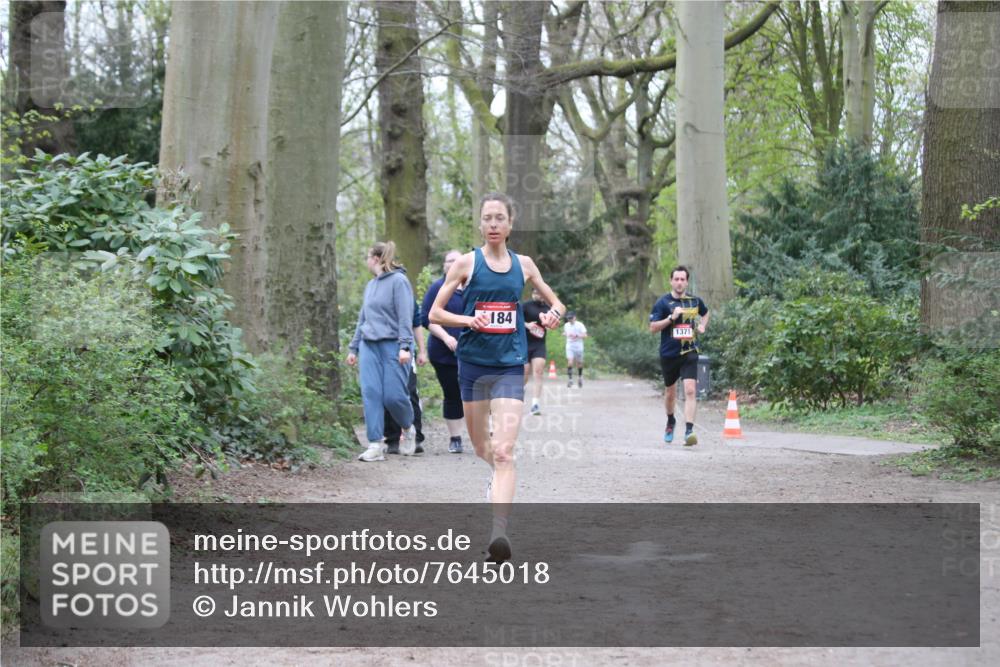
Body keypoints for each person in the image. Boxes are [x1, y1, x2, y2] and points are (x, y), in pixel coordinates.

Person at [429, 192, 565, 562]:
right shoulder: (465, 265)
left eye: (499, 218)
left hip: (509, 365)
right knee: (480, 447)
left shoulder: (524, 265)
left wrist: (553, 315)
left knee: (503, 450)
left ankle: (498, 534)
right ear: (480, 223)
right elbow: (435, 314)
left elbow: (558, 304)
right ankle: (497, 478)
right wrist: (467, 320)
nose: (492, 224)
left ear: (509, 224)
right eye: (487, 218)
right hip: (472, 366)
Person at [346, 241, 418, 462]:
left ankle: (408, 427)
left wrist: (405, 346)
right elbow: (363, 318)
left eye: (368, 257)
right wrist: (354, 347)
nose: (366, 261)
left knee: (394, 396)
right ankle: (375, 444)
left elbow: (406, 315)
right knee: (371, 395)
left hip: (393, 345)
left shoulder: (399, 281)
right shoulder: (371, 285)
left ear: (375, 259)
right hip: (369, 345)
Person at [649, 265, 710, 446]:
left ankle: (689, 431)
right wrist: (671, 318)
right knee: (670, 393)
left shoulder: (694, 301)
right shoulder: (662, 303)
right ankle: (670, 421)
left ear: (687, 282)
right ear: (671, 281)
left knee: (690, 390)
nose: (679, 282)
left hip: (690, 351)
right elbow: (652, 328)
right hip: (669, 354)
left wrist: (702, 326)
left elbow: (705, 313)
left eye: (683, 279)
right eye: (676, 279)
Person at [421, 250, 467, 453]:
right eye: (450, 261)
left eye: (458, 260)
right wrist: (446, 337)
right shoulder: (437, 288)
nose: (454, 264)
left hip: (472, 352)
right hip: (443, 352)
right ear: (444, 265)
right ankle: (455, 438)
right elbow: (426, 318)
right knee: (452, 393)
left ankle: (485, 433)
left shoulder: (473, 287)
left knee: (478, 392)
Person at [383, 298, 427, 454]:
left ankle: (417, 438)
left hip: (406, 350)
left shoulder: (407, 296)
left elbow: (416, 324)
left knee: (410, 392)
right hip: (384, 350)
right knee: (388, 393)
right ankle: (392, 439)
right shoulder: (378, 292)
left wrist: (422, 350)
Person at [521, 288, 551, 415]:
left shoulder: (548, 308)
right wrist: (527, 325)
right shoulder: (526, 306)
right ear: (534, 294)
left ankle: (535, 404)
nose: (540, 296)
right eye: (538, 294)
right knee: (525, 373)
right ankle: (519, 393)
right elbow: (516, 321)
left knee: (538, 372)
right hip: (525, 344)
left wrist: (551, 325)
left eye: (542, 294)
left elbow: (552, 323)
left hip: (539, 344)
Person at [563, 311, 588, 388]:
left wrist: (577, 335)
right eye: (568, 318)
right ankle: (570, 380)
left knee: (579, 363)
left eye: (571, 318)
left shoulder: (580, 325)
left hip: (578, 346)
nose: (570, 320)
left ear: (575, 318)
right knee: (570, 362)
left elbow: (585, 335)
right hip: (570, 345)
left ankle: (580, 378)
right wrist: (565, 334)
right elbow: (565, 333)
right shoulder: (566, 325)